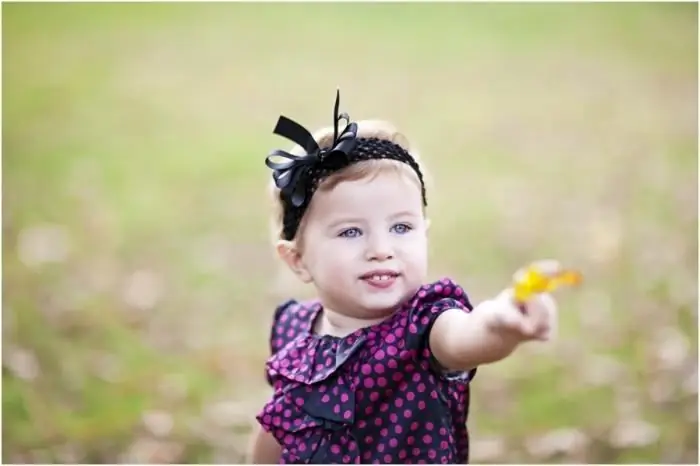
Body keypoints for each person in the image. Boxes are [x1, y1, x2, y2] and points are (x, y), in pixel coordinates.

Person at [249, 91, 560, 464]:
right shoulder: (294, 329)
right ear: (298, 260)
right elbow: (278, 423)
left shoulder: (424, 327)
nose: (382, 249)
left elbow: (467, 337)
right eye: (351, 232)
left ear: (424, 234)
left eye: (401, 227)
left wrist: (500, 322)